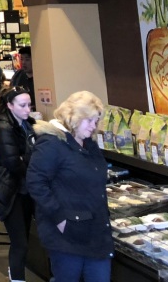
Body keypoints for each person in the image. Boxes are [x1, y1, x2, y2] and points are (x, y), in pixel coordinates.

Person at [26, 91, 112, 282]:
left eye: (96, 121)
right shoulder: (51, 143)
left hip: (95, 231)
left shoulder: (88, 143)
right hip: (66, 236)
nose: (93, 126)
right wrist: (60, 218)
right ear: (73, 117)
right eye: (89, 120)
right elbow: (36, 183)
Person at [0, 86, 38, 282]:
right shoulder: (4, 128)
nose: (27, 109)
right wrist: (31, 163)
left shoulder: (27, 124)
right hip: (12, 191)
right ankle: (17, 278)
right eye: (22, 105)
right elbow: (13, 163)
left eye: (29, 105)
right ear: (10, 105)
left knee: (23, 239)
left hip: (25, 189)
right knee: (20, 242)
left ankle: (15, 274)